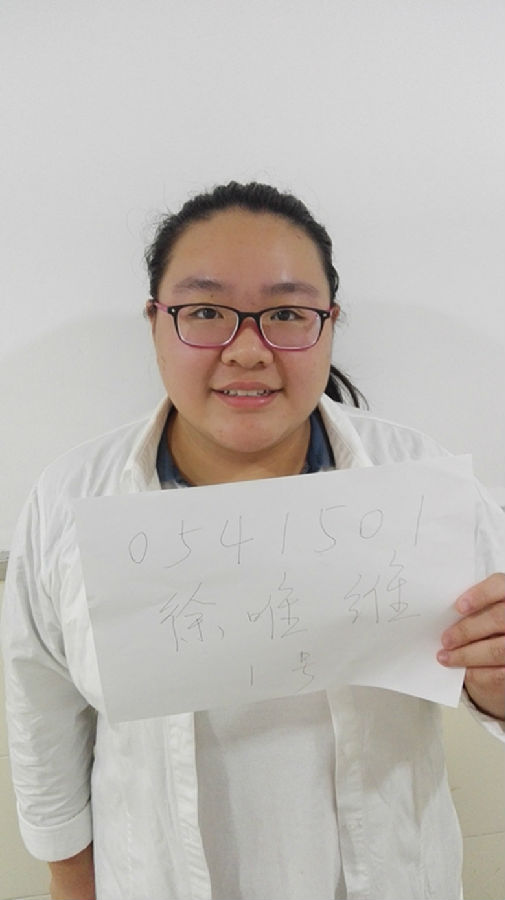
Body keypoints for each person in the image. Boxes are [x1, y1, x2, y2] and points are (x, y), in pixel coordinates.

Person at [1, 181, 504, 900]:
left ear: (329, 325)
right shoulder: (68, 500)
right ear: (155, 322)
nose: (245, 350)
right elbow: (42, 715)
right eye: (204, 312)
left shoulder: (423, 488)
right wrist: (68, 882)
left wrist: (494, 686)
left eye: (287, 314)